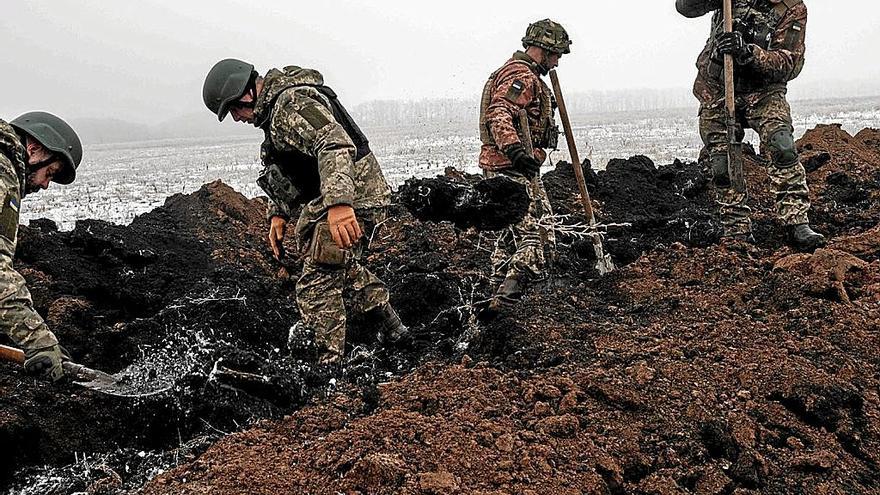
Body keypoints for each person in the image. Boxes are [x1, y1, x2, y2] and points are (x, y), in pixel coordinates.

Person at [202, 59, 409, 366]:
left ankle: (328, 368)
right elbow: (288, 168)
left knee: (317, 282)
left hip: (357, 199)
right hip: (337, 199)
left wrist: (340, 205)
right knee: (339, 264)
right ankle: (394, 329)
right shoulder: (275, 113)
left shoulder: (290, 104)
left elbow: (334, 143)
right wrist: (278, 213)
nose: (235, 117)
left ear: (245, 92)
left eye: (234, 109)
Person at [677, 0, 825, 249]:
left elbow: (789, 64)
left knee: (782, 147)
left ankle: (797, 221)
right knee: (722, 163)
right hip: (718, 87)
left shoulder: (790, 8)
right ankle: (736, 228)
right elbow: (686, 7)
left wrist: (748, 52)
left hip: (764, 90)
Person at [478, 19, 569, 311]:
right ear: (542, 49)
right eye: (555, 54)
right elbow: (499, 113)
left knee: (509, 234)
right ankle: (508, 304)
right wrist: (516, 151)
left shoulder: (515, 72)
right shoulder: (522, 77)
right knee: (540, 233)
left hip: (502, 167)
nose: (556, 62)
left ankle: (495, 297)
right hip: (512, 169)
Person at [1, 112, 82, 381]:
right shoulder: (3, 174)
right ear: (33, 149)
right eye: (51, 172)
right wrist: (39, 341)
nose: (46, 185)